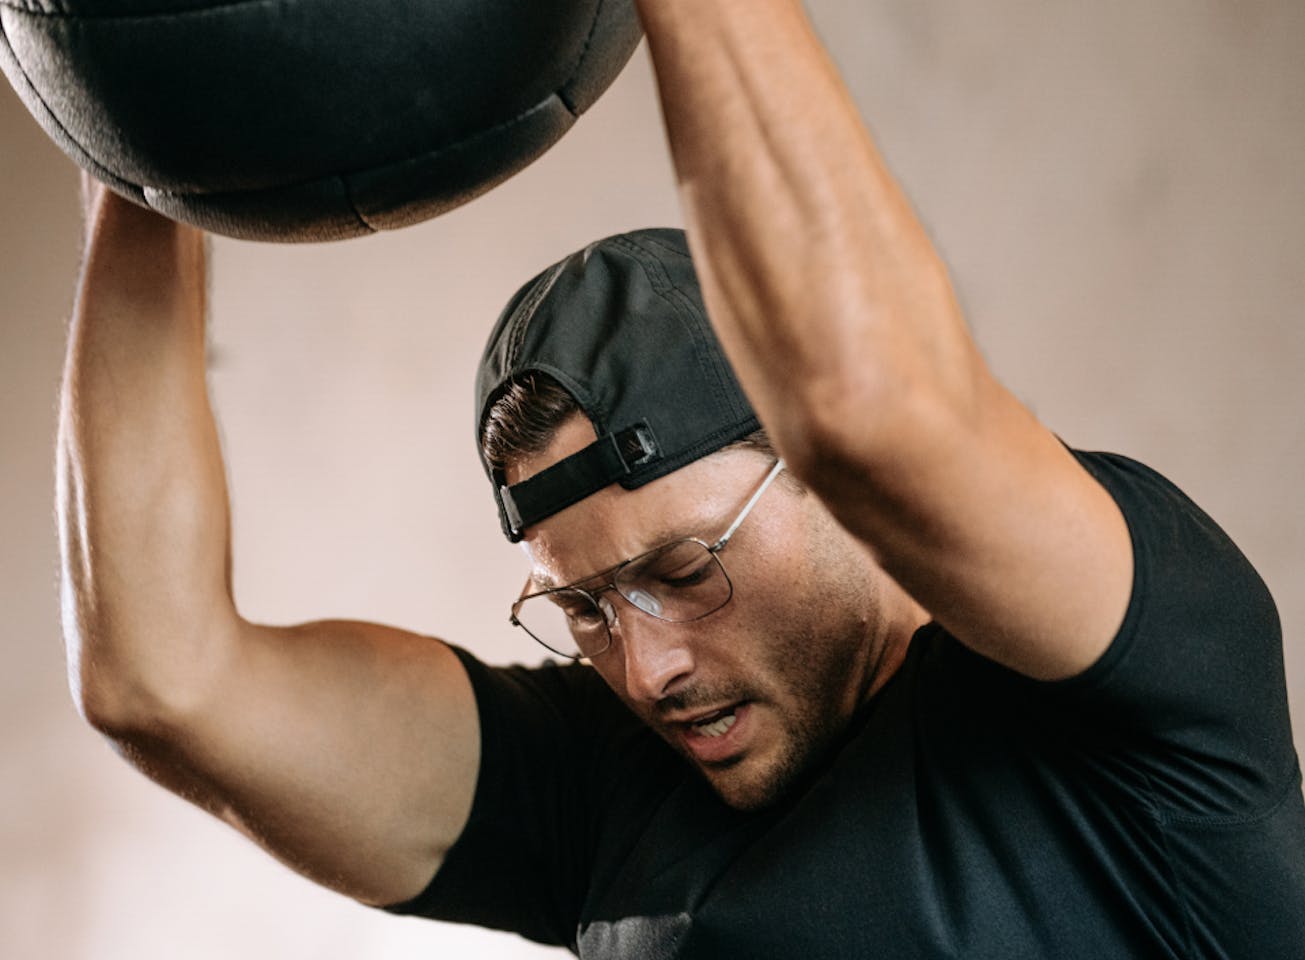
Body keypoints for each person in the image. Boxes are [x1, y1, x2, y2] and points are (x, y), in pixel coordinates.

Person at [58, 1, 1304, 957]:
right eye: (588, 606)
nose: (648, 668)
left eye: (684, 569)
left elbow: (872, 413)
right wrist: (141, 127)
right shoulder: (600, 790)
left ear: (834, 496)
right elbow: (158, 680)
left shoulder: (1124, 699)